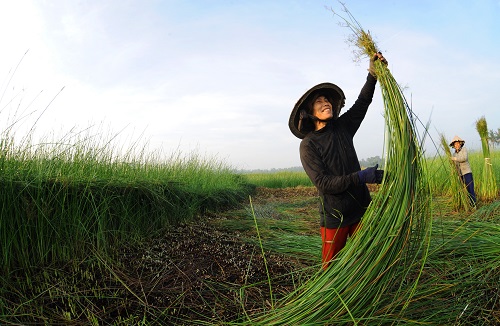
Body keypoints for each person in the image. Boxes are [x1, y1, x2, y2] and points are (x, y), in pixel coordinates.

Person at [288, 52, 387, 270]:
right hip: (335, 215)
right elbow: (323, 183)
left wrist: (373, 74)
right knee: (331, 268)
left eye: (328, 100)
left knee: (368, 259)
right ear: (309, 113)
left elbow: (362, 103)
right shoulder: (309, 145)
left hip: (361, 208)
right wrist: (361, 176)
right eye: (319, 102)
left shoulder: (343, 127)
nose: (326, 104)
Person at [449, 135, 477, 206]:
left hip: (467, 173)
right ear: (453, 146)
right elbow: (455, 165)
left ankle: (473, 205)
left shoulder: (464, 149)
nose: (457, 145)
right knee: (462, 190)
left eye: (458, 143)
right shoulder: (454, 154)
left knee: (470, 189)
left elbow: (464, 158)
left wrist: (454, 159)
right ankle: (466, 204)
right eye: (455, 144)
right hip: (460, 174)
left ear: (460, 143)